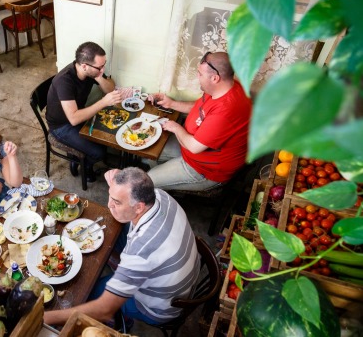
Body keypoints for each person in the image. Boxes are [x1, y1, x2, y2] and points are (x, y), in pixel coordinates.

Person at [44, 167, 200, 327]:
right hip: (183, 276)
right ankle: (121, 270)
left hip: (160, 309)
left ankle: (122, 322)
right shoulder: (160, 195)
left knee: (87, 293)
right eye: (110, 196)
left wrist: (45, 318)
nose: (109, 205)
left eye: (117, 202)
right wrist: (119, 187)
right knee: (115, 230)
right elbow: (131, 188)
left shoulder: (141, 251)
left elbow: (104, 309)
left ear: (139, 207)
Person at [148, 51, 251, 191]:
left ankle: (158, 190)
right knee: (147, 151)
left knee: (146, 183)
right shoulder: (227, 86)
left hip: (204, 169)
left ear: (215, 78)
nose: (197, 77)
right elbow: (201, 108)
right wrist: (171, 103)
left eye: (200, 74)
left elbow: (194, 147)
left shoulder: (226, 110)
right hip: (189, 146)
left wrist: (175, 127)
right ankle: (162, 182)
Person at [46, 41, 122, 181]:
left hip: (77, 115)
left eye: (104, 64)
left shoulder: (92, 72)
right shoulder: (65, 81)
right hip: (61, 126)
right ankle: (84, 167)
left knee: (109, 135)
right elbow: (73, 119)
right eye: (100, 66)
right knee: (99, 152)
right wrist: (104, 102)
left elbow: (110, 88)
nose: (103, 69)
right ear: (85, 66)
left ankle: (78, 157)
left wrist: (99, 77)